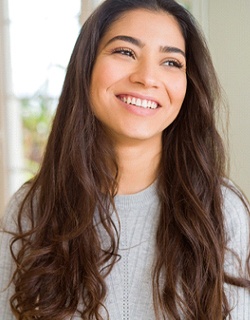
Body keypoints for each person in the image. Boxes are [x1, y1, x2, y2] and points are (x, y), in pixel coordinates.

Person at [1, 0, 250, 319]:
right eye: (126, 52)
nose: (147, 78)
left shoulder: (223, 209)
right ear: (86, 66)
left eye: (171, 62)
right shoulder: (33, 208)